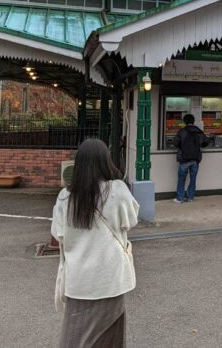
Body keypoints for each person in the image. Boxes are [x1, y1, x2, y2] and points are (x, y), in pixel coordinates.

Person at [52, 138, 139, 348]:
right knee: (111, 335)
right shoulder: (117, 190)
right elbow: (131, 220)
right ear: (105, 161)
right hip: (111, 278)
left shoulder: (66, 197)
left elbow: (58, 234)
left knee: (75, 337)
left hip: (79, 280)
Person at [173, 113, 211, 203]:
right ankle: (190, 197)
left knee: (182, 179)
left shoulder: (182, 131)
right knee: (193, 179)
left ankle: (180, 198)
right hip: (195, 159)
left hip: (184, 158)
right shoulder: (198, 131)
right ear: (193, 121)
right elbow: (205, 142)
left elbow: (175, 143)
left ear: (185, 122)